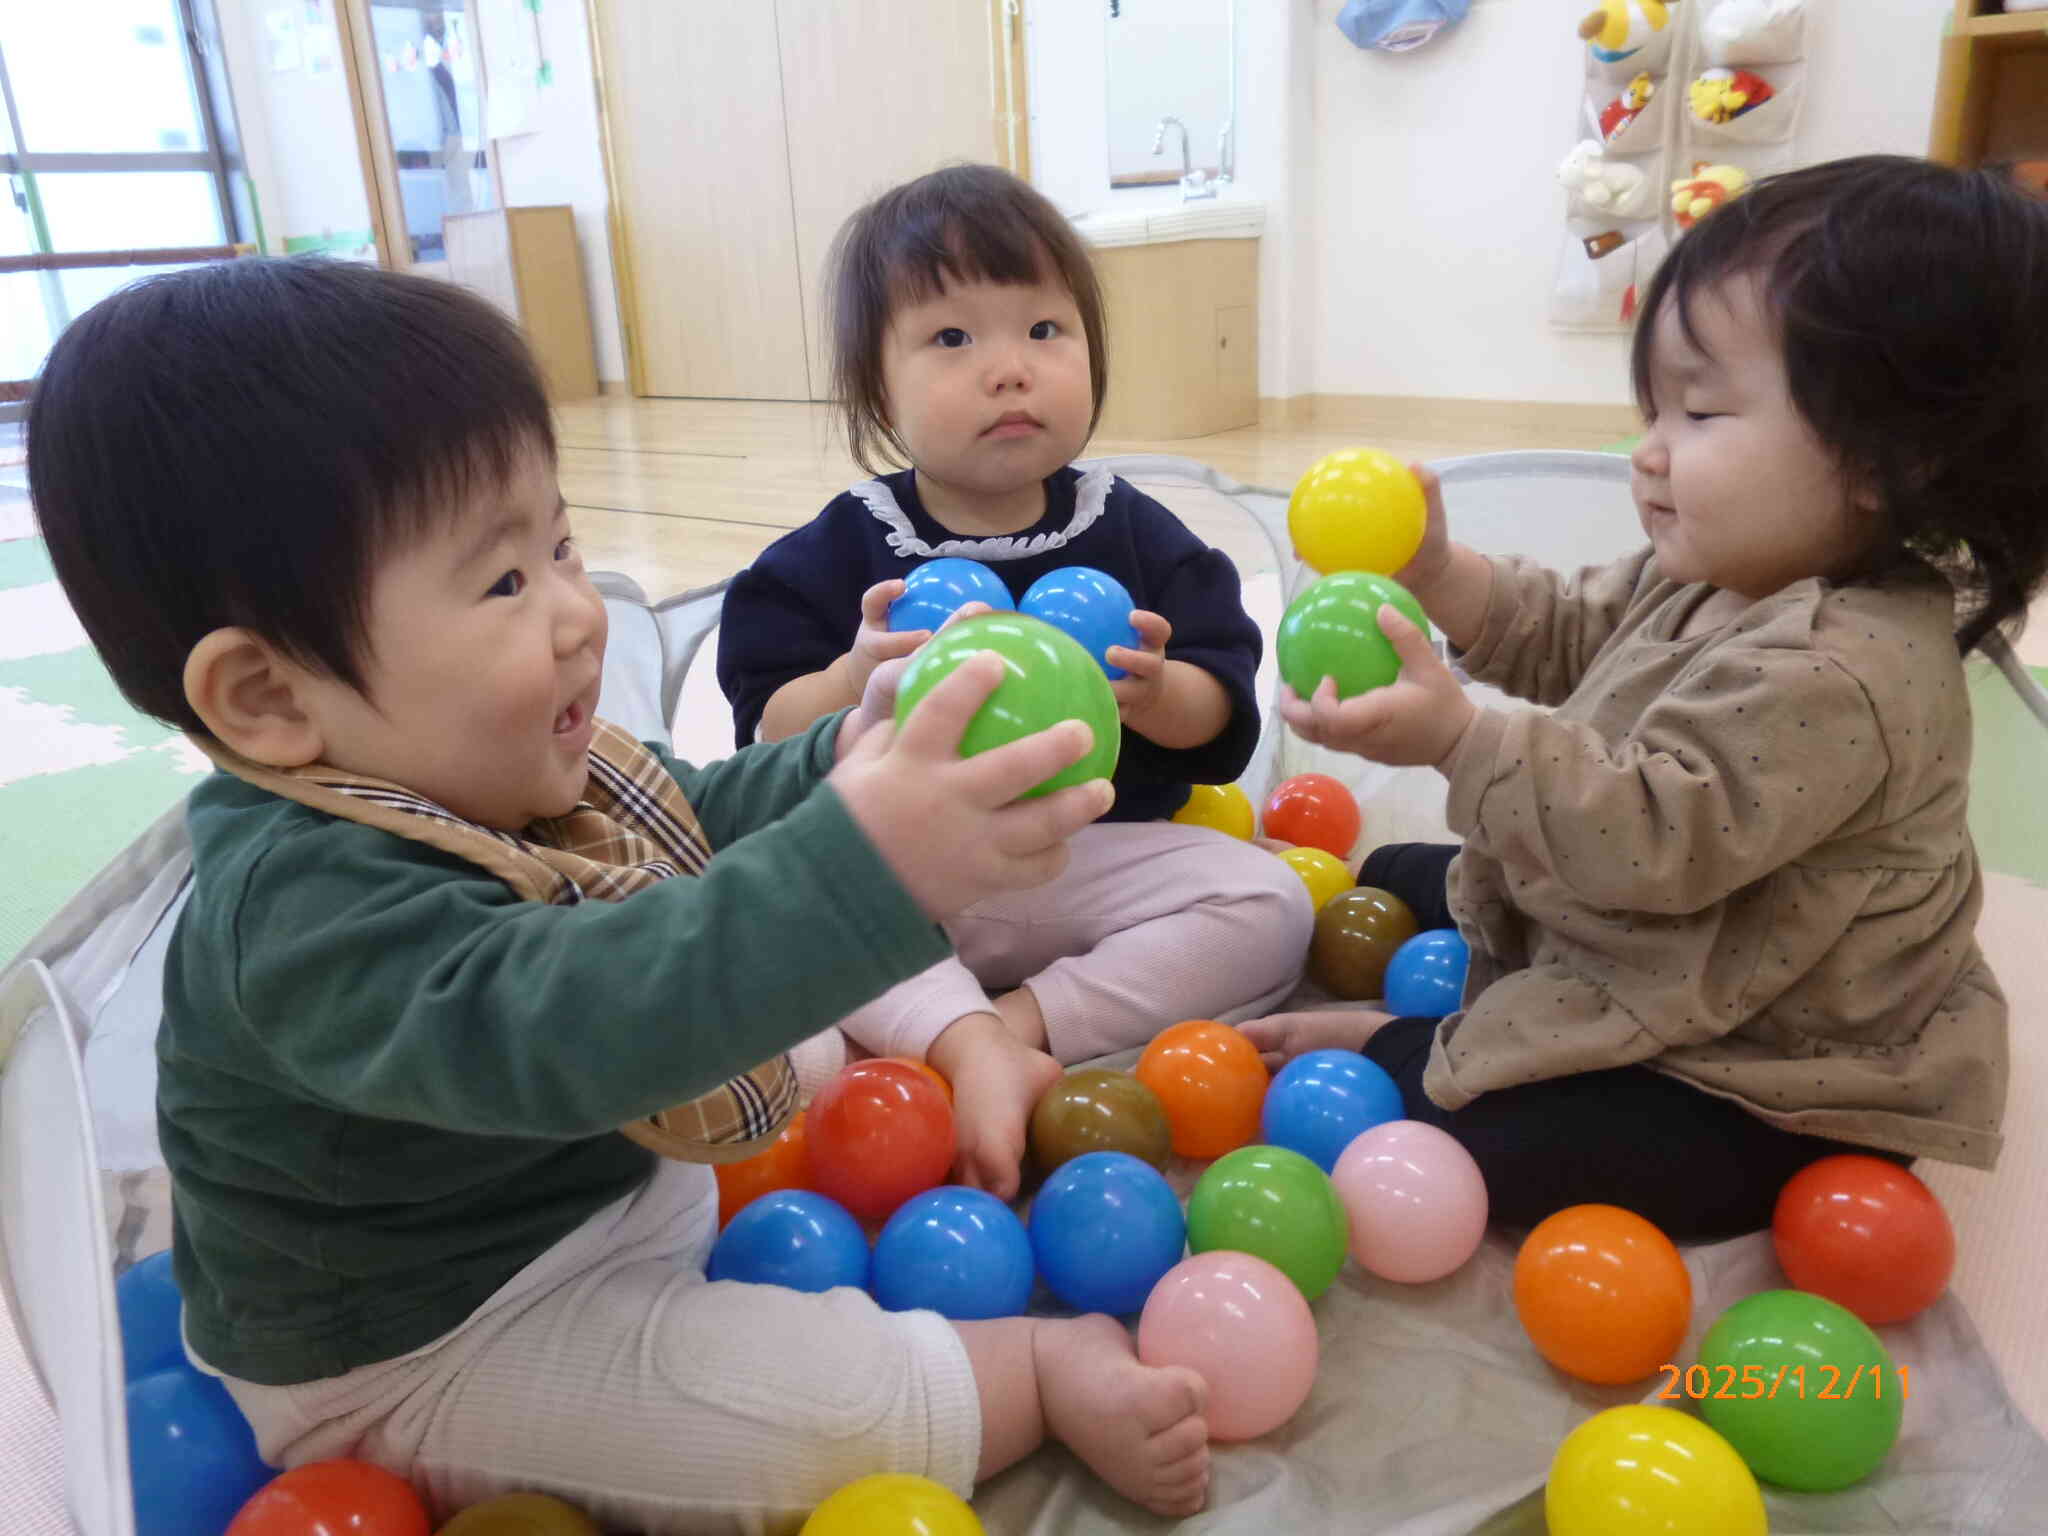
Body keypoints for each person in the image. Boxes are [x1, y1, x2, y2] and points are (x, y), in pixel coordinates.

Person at [28, 258, 1212, 1527]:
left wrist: (848, 757)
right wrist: (867, 862)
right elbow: (574, 1022)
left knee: (780, 989)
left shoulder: (468, 753)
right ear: (268, 700)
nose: (576, 614)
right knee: (825, 1415)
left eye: (561, 544)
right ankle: (1025, 1368)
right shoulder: (296, 913)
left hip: (600, 1185)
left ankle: (956, 1046)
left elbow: (696, 826)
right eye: (500, 582)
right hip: (441, 1335)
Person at [1241, 156, 2048, 1241]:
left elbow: (1648, 842)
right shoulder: (1722, 565)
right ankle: (1465, 1004)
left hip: (1779, 1055)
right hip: (1691, 927)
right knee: (1394, 873)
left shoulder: (1842, 669)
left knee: (1482, 1135)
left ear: (1887, 458)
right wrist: (1436, 571)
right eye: (1651, 408)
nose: (1648, 452)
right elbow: (1573, 630)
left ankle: (1396, 1042)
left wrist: (1456, 741)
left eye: (1700, 411)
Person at [717, 165, 1312, 1199]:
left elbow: (1222, 691)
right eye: (952, 339)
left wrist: (1160, 691)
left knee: (1267, 899)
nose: (1009, 370)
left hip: (1090, 858)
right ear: (877, 387)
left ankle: (1007, 1029)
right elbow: (766, 735)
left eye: (1043, 330)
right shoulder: (844, 548)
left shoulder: (1125, 525)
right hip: (909, 873)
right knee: (788, 921)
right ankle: (956, 1033)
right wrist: (853, 680)